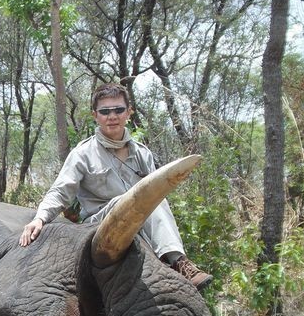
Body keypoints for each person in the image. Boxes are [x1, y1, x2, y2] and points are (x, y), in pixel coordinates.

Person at [19, 82, 212, 291]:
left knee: (155, 198)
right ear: (95, 115)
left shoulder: (142, 153)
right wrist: (40, 218)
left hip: (137, 222)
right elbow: (61, 191)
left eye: (119, 110)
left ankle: (177, 262)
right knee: (136, 199)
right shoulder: (82, 154)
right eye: (105, 111)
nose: (112, 116)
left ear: (129, 112)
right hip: (99, 224)